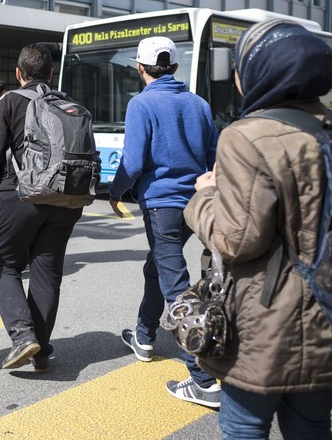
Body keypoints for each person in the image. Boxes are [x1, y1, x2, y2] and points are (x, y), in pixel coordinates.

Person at [183, 20, 332, 438]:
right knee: (313, 426)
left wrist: (204, 198)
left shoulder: (247, 137)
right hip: (326, 317)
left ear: (256, 72)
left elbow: (236, 240)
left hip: (266, 323)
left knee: (244, 426)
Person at [108, 36, 220, 408]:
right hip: (197, 203)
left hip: (161, 205)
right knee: (156, 267)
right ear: (173, 67)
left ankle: (202, 377)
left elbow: (134, 161)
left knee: (175, 284)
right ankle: (143, 335)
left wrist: (114, 191)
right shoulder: (199, 104)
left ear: (140, 69)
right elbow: (212, 156)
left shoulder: (141, 103)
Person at [0, 42, 84, 373]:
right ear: (51, 74)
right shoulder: (69, 103)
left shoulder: (10, 100)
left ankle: (23, 337)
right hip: (66, 200)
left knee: (5, 264)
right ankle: (41, 350)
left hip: (20, 195)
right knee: (47, 272)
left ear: (19, 74)